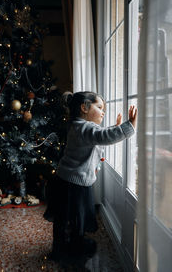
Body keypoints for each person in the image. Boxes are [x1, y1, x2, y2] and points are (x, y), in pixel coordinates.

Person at [47, 91, 137, 261]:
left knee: (65, 219)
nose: (103, 112)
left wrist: (115, 128)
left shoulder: (77, 125)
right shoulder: (86, 128)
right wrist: (129, 125)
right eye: (100, 107)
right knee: (75, 220)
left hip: (65, 180)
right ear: (84, 108)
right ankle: (72, 252)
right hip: (74, 185)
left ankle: (62, 248)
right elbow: (102, 136)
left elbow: (97, 135)